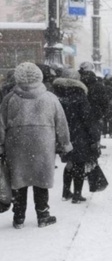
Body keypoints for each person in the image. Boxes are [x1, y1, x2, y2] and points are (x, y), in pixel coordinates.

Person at [0, 62, 72, 228]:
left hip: (16, 145)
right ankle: (43, 215)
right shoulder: (50, 98)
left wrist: (1, 146)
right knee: (41, 181)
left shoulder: (10, 99)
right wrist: (65, 144)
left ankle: (18, 217)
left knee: (19, 181)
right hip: (43, 146)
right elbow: (62, 123)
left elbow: (1, 125)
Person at [53, 68, 101, 203]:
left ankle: (66, 191)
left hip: (63, 134)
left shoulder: (57, 96)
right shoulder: (80, 96)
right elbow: (88, 119)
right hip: (80, 135)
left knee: (69, 163)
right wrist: (94, 136)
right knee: (79, 164)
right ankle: (77, 195)